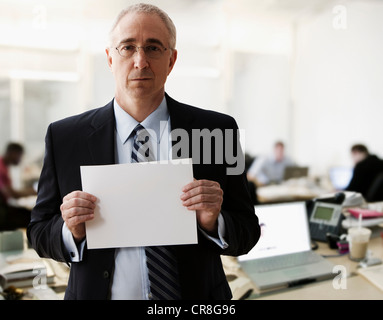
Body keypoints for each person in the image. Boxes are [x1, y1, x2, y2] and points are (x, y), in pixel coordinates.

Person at [27, 3, 260, 300]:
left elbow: (248, 232)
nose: (140, 61)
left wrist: (214, 222)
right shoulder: (65, 137)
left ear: (171, 60)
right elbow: (38, 232)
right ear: (110, 58)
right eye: (127, 47)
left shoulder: (218, 130)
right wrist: (71, 230)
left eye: (153, 48)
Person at [0, 142, 36, 231]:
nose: (20, 159)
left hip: (4, 207)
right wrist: (35, 191)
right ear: (13, 153)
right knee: (33, 217)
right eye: (20, 156)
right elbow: (13, 194)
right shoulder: (1, 169)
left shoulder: (3, 166)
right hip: (2, 211)